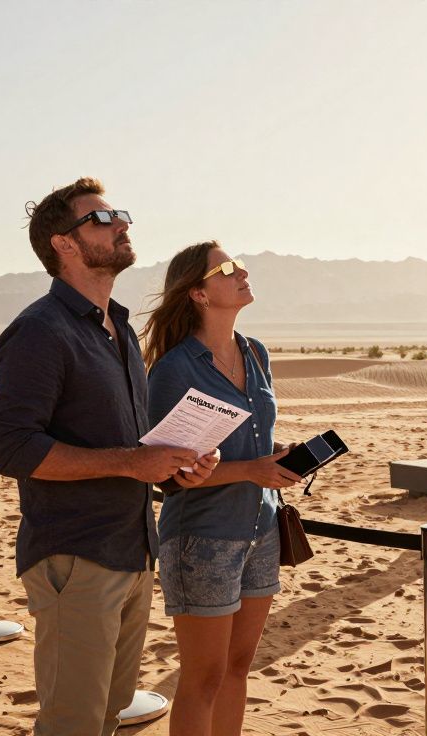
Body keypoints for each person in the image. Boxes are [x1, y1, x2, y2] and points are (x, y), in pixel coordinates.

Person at [0, 178, 216, 735]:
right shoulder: (40, 331)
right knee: (73, 723)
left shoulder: (118, 327)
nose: (122, 224)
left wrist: (174, 468)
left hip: (133, 549)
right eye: (103, 218)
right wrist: (131, 464)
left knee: (108, 716)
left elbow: (130, 445)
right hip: (76, 556)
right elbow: (13, 447)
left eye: (120, 215)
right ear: (64, 244)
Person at [140, 241, 300, 736]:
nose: (242, 272)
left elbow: (254, 439)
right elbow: (167, 472)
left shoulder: (255, 352)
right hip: (202, 538)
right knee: (204, 677)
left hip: (261, 530)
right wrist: (251, 469)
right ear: (199, 294)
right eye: (227, 269)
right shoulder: (173, 369)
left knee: (237, 667)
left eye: (239, 265)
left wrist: (275, 459)